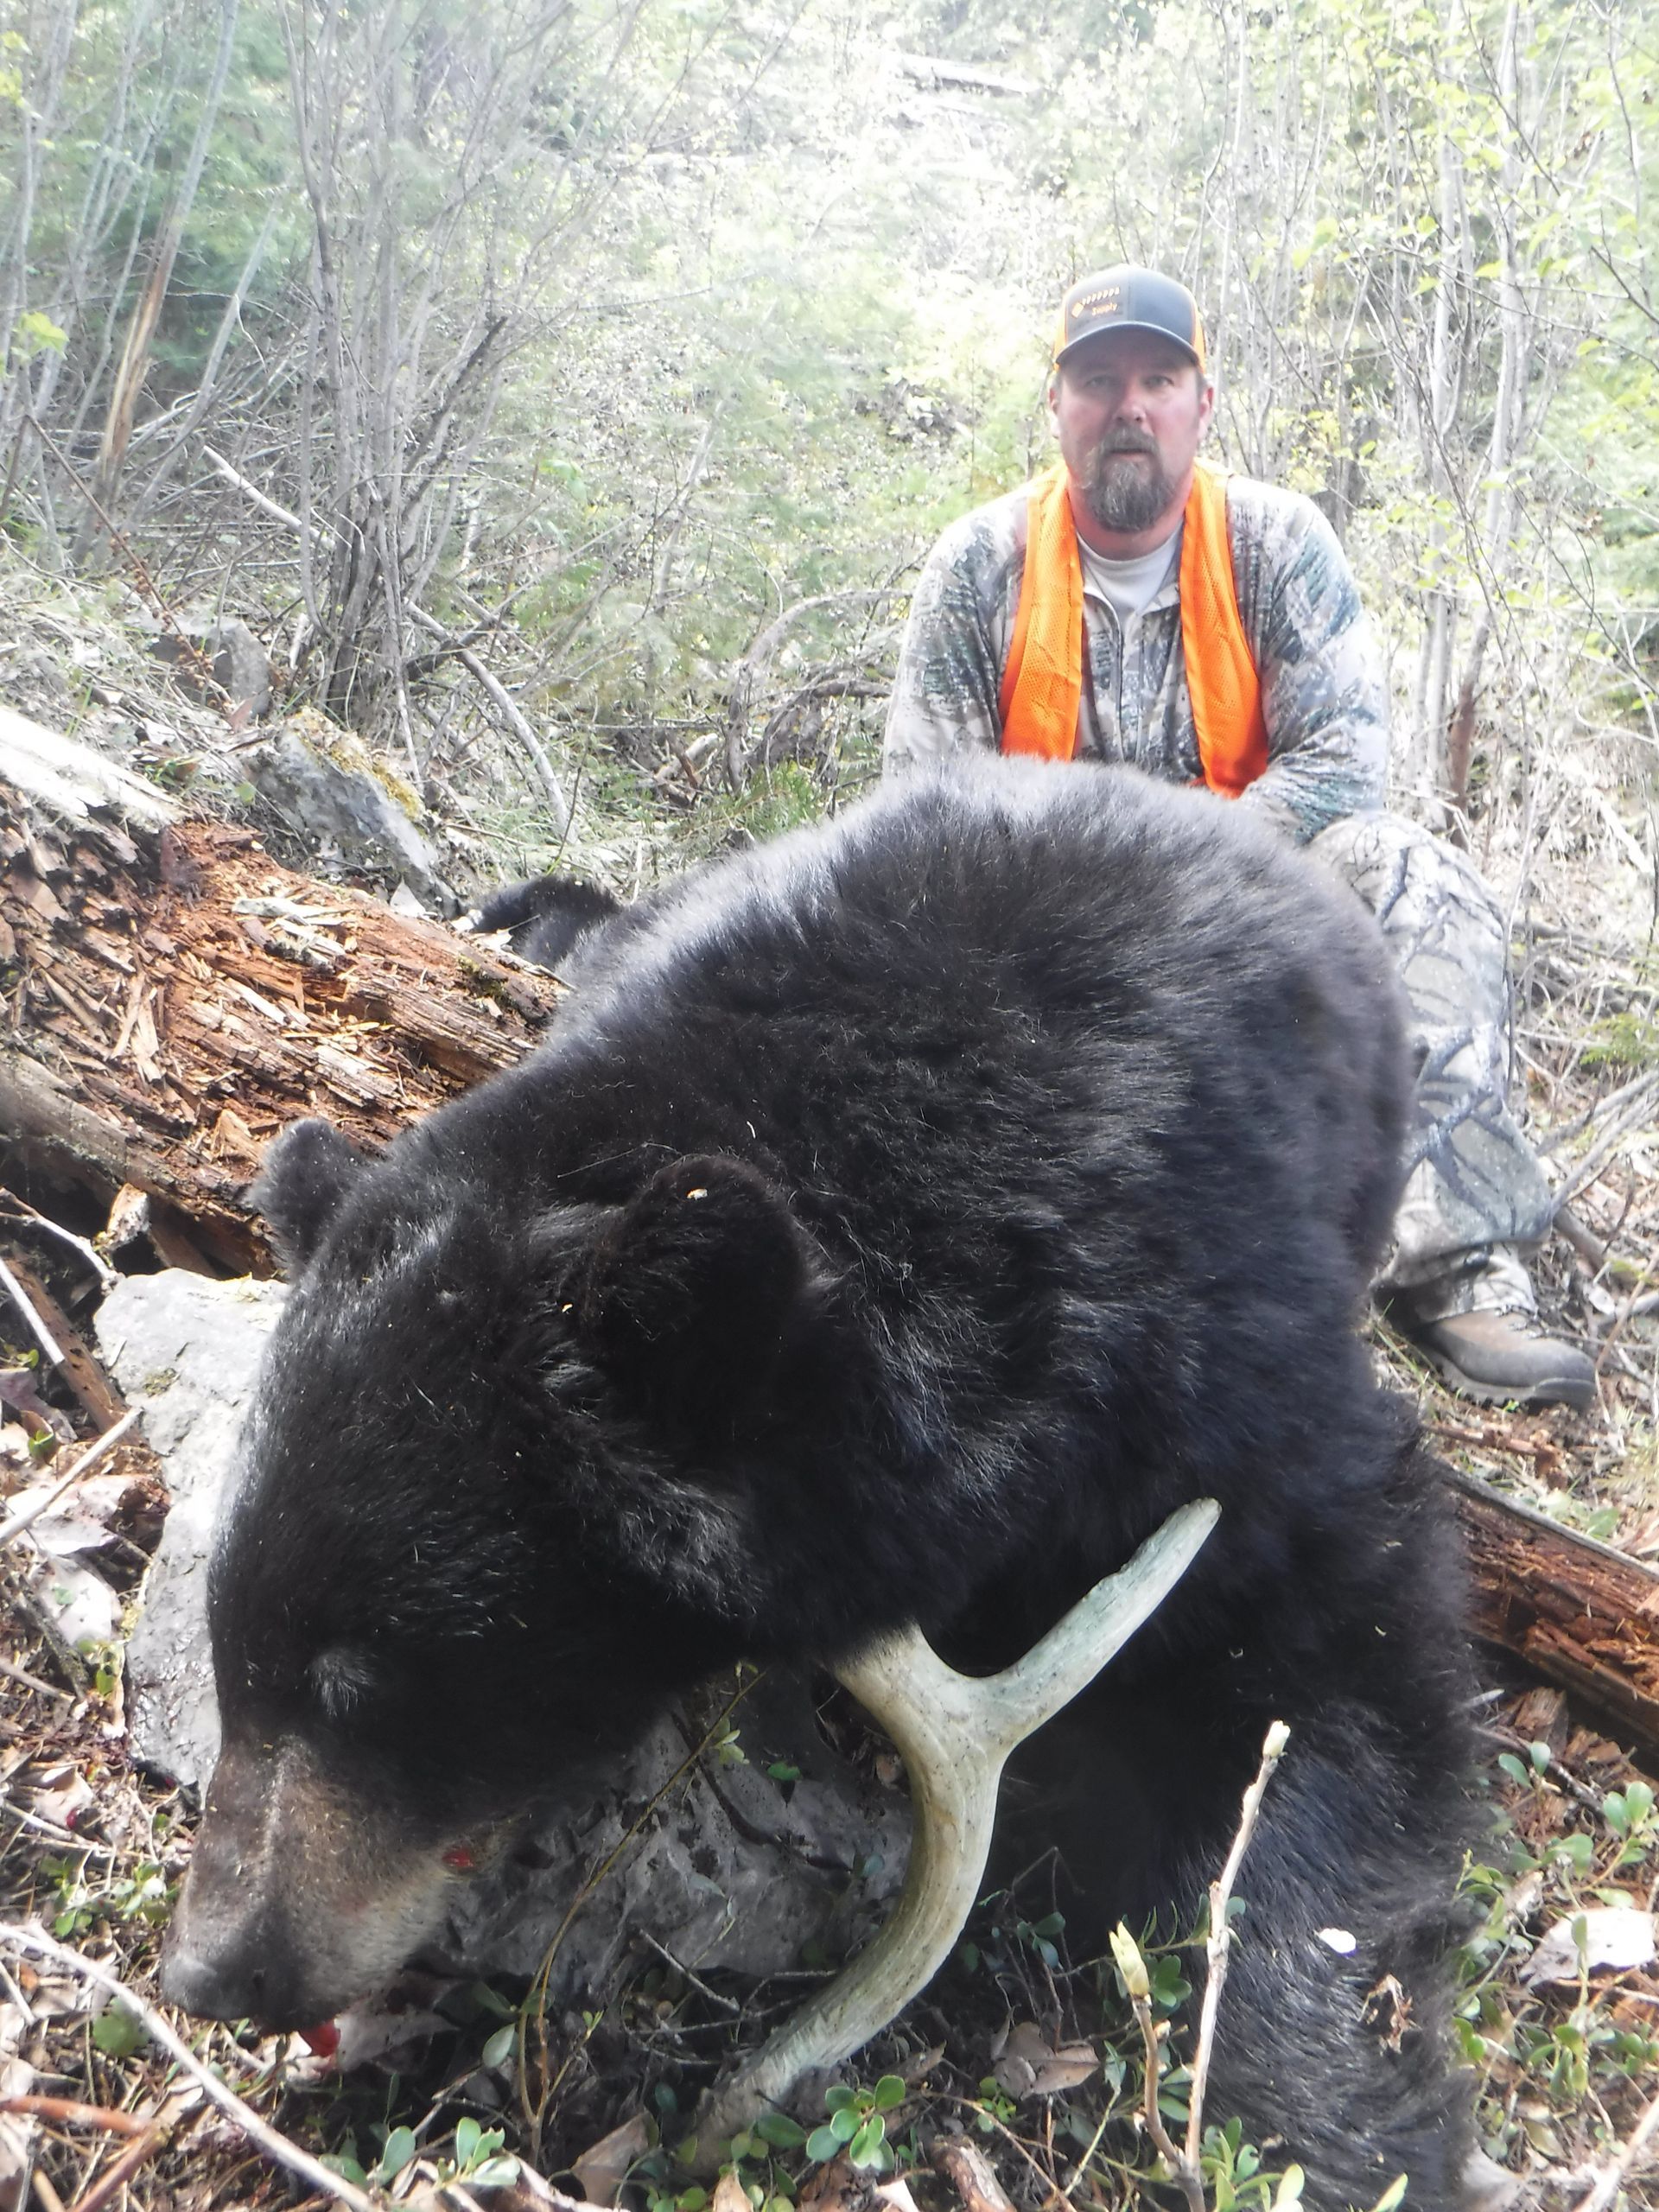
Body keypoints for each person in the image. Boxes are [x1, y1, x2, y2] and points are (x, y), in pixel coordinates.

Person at [883, 263, 1595, 1412]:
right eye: (1100, 381)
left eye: (1159, 378)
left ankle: (1458, 1267)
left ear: (1201, 405)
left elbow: (1342, 766)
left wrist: (1181, 867)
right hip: (1043, 956)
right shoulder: (980, 568)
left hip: (1253, 918)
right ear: (1058, 406)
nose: (1131, 407)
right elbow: (927, 817)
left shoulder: (1277, 545)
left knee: (1420, 874)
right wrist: (1075, 911)